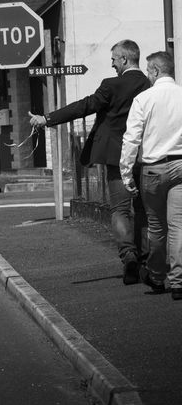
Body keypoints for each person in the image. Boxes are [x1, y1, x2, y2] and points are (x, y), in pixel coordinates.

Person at [28, 39, 151, 285]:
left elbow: (85, 106)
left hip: (117, 156)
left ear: (125, 59)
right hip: (147, 154)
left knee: (120, 209)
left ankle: (129, 258)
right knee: (144, 211)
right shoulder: (149, 84)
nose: (112, 64)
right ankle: (148, 261)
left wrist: (47, 118)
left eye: (114, 59)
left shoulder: (111, 85)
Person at [120, 51, 182, 301]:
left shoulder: (144, 99)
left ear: (156, 71)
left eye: (148, 70)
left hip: (153, 168)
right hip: (181, 165)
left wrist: (126, 173)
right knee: (178, 226)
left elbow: (131, 138)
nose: (147, 74)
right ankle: (178, 282)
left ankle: (157, 276)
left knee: (156, 227)